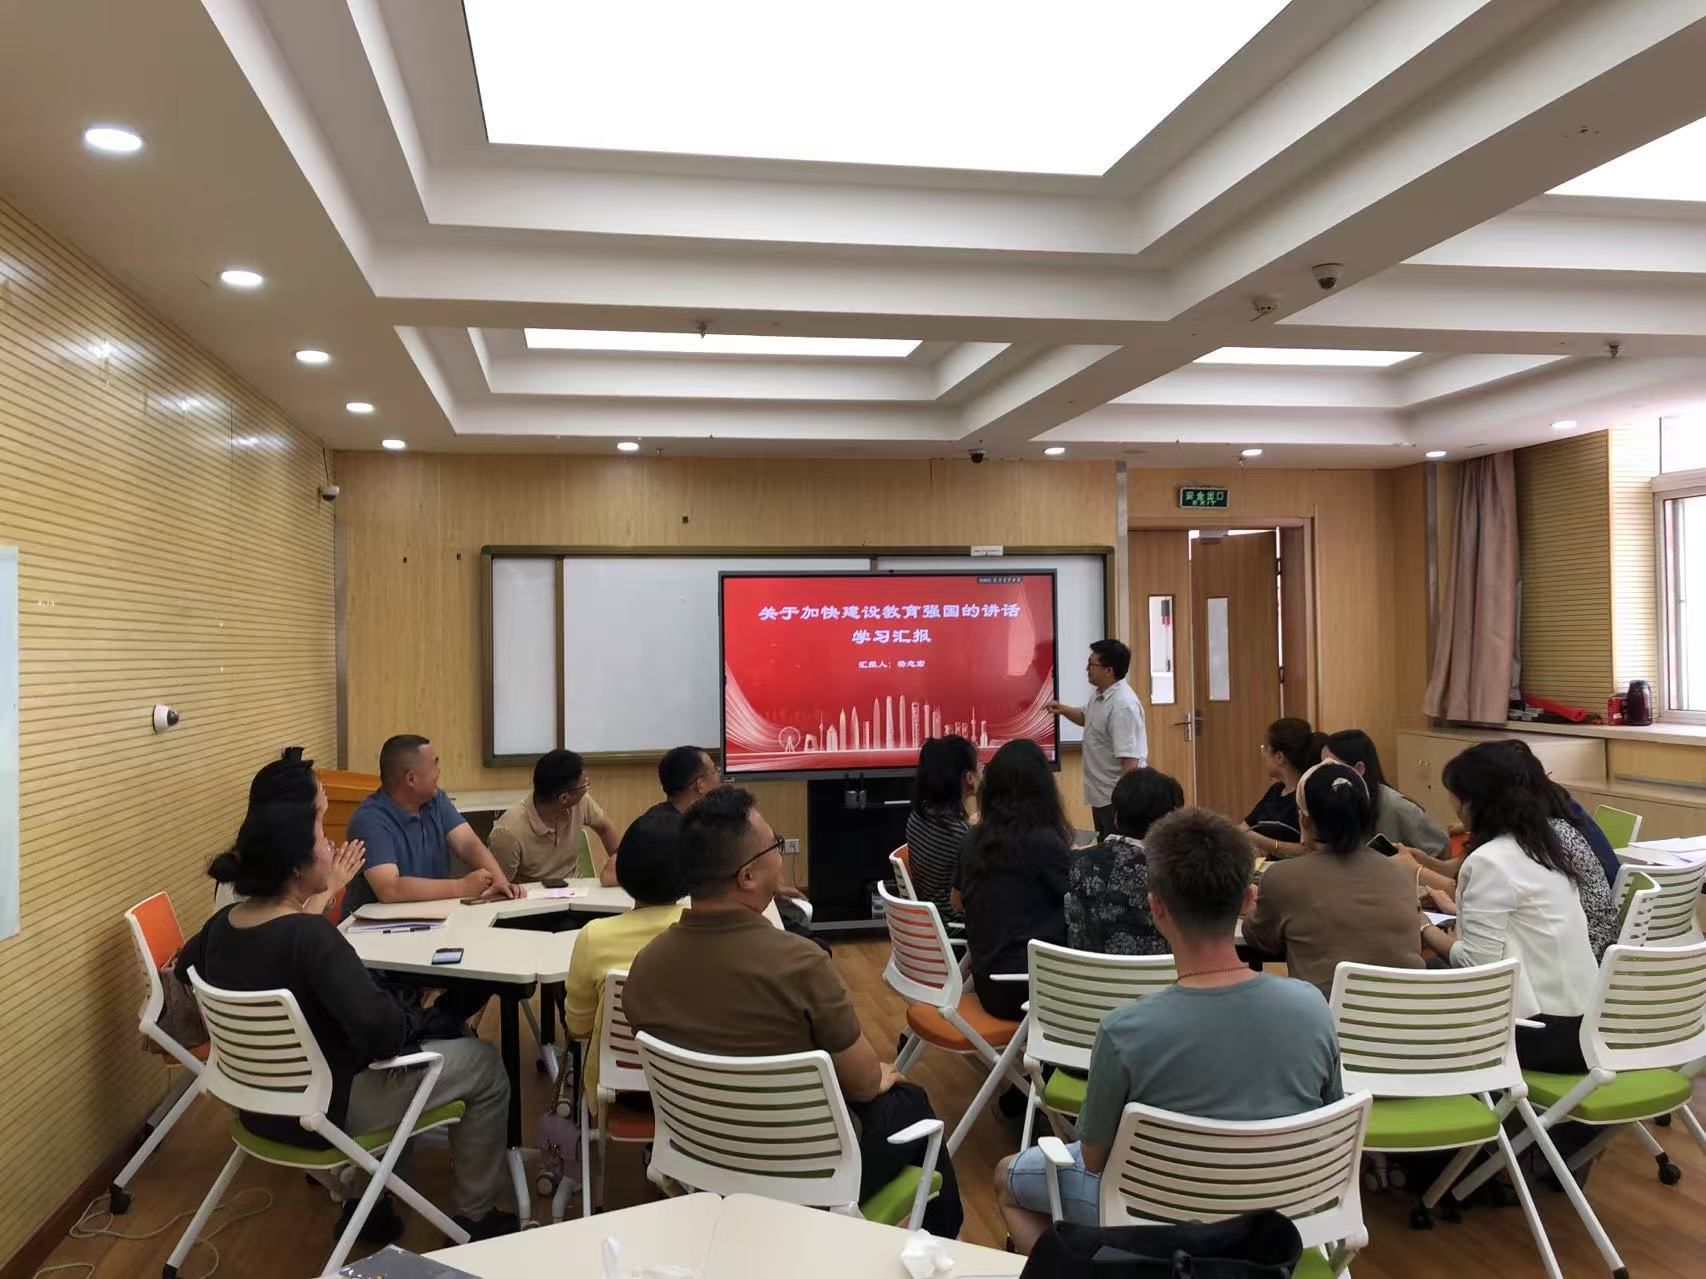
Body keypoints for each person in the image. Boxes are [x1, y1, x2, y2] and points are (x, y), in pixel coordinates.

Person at [995, 808, 1344, 1253]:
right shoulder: (1313, 1008)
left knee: (1006, 1178)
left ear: (1156, 906)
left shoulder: (1124, 1031)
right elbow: (1329, 1125)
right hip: (1283, 1220)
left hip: (1157, 1227)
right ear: (1249, 900)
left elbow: (1094, 1159)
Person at [623, 786, 962, 1237]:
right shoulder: (800, 964)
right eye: (775, 847)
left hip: (700, 1167)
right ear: (747, 876)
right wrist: (876, 1077)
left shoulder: (645, 968)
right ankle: (943, 1251)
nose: (780, 857)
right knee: (911, 1102)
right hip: (809, 1177)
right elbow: (863, 1083)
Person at [176, 797, 515, 1241]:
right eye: (322, 840)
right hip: (327, 1112)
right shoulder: (312, 938)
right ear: (297, 868)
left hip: (255, 1107)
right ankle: (475, 1216)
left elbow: (183, 969)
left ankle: (369, 1205)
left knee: (378, 1062)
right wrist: (415, 1013)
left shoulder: (219, 929)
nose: (331, 848)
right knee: (482, 1064)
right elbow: (385, 1036)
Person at [1419, 743, 1599, 1072]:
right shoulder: (1543, 846)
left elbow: (1478, 967)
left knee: (1418, 987)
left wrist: (1423, 927)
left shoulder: (1489, 861)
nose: (1454, 806)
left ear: (1475, 801)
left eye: (1457, 797)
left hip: (1544, 1034)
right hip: (1587, 1025)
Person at [1242, 762, 1424, 997]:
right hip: (1405, 1013)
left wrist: (1251, 907)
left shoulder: (1282, 877)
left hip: (1326, 1016)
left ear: (1305, 820)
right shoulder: (1400, 873)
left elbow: (1261, 940)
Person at [563, 820, 686, 1116]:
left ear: (623, 872)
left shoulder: (594, 937)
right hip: (691, 1087)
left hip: (618, 1091)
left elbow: (578, 1028)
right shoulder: (707, 931)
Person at [342, 734, 522, 916]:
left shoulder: (435, 800)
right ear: (411, 779)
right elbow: (389, 888)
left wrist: (500, 881)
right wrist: (461, 887)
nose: (439, 771)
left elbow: (468, 844)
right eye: (434, 764)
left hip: (433, 917)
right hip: (380, 926)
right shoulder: (369, 820)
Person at [958, 738, 1071, 1020]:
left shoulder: (973, 840)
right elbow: (1080, 899)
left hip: (987, 982)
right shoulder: (1045, 843)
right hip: (1033, 987)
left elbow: (957, 902)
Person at [209, 747, 364, 918]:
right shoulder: (268, 863)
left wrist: (323, 884)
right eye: (317, 785)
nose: (323, 788)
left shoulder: (299, 844)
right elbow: (289, 929)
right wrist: (329, 887)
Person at [1064, 766, 1182, 956]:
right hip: (1160, 973)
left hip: (1087, 973)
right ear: (1171, 823)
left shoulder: (1078, 864)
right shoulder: (1180, 874)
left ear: (1116, 819)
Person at [1048, 640, 1147, 839]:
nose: (1087, 669)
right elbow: (1086, 717)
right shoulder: (1100, 695)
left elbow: (1130, 761)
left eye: (1091, 664)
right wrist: (1062, 709)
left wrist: (1123, 805)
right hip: (1101, 796)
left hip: (1116, 799)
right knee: (1104, 847)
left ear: (1109, 670)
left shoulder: (1123, 706)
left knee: (1117, 850)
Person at [488, 749, 621, 887]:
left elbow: (605, 828)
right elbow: (500, 887)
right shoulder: (507, 832)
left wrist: (622, 868)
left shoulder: (581, 802)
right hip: (532, 897)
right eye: (584, 784)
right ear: (564, 798)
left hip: (577, 890)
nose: (586, 787)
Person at [1322, 729, 1449, 857]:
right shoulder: (1334, 802)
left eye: (1330, 767)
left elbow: (1441, 848)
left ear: (1359, 768)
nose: (1322, 774)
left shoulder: (1397, 806)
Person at [904, 735, 979, 923]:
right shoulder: (961, 835)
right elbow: (976, 896)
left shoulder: (917, 818)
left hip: (935, 923)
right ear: (968, 778)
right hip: (957, 926)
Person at [1244, 718, 1326, 859]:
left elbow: (1310, 850)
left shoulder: (1308, 796)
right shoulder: (1276, 790)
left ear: (1279, 757)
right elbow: (1244, 828)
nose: (1263, 755)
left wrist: (1259, 841)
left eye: (1265, 749)